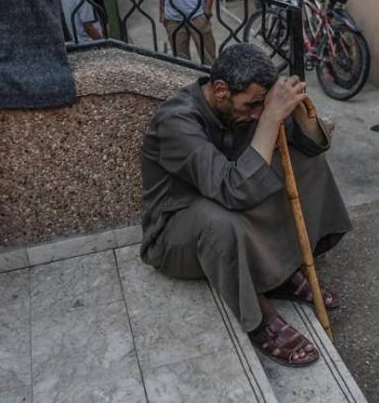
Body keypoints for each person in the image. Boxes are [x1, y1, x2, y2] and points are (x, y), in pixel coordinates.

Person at [139, 43, 352, 367]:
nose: (255, 114)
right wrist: (267, 120)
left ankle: (280, 270)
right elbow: (233, 190)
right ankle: (259, 319)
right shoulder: (176, 120)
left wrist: (294, 109)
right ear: (221, 90)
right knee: (220, 221)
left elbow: (312, 144)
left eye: (261, 106)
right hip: (174, 234)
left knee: (304, 164)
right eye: (252, 106)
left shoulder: (243, 105)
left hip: (227, 204)